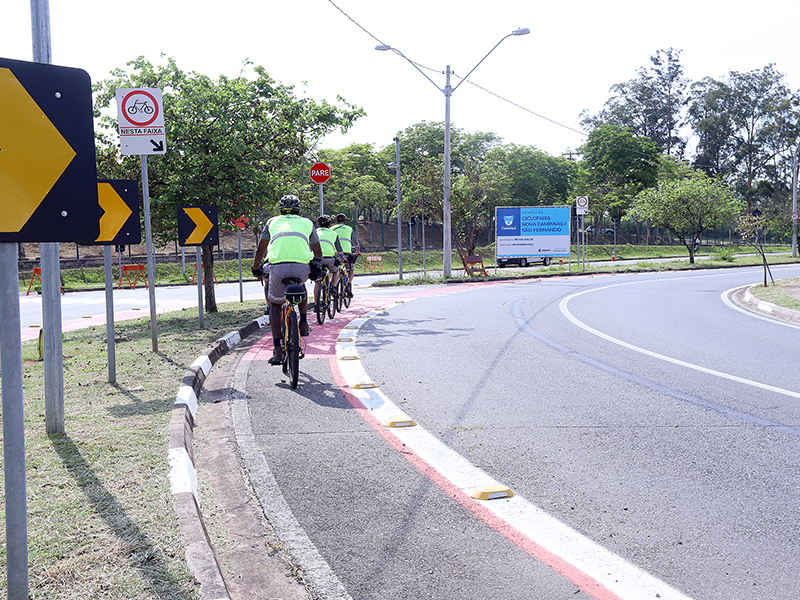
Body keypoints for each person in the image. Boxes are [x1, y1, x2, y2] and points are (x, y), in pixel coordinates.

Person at [252, 194, 323, 366]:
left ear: (280, 210)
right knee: (301, 285)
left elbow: (261, 248)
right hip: (301, 268)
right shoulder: (307, 223)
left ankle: (277, 348)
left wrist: (255, 268)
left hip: (278, 268)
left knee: (275, 305)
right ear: (299, 210)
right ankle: (303, 322)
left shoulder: (271, 222)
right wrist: (316, 263)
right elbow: (317, 250)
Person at [314, 215, 343, 310]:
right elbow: (339, 249)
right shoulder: (334, 233)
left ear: (318, 224)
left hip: (317, 260)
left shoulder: (314, 232)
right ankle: (333, 287)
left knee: (317, 283)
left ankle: (316, 304)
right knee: (336, 271)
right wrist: (342, 258)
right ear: (329, 225)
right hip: (329, 259)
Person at [332, 213, 360, 297]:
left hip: (335, 253)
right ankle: (349, 284)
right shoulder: (349, 229)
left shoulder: (332, 228)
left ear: (337, 221)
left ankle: (333, 286)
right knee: (351, 270)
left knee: (335, 270)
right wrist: (358, 251)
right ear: (345, 221)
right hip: (347, 253)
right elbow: (355, 242)